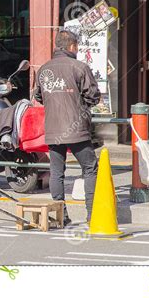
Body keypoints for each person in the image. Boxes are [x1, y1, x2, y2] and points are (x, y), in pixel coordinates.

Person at [34, 30, 101, 225]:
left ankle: (60, 217)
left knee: (57, 172)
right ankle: (92, 215)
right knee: (90, 168)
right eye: (77, 47)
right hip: (76, 127)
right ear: (72, 46)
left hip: (53, 128)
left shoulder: (44, 69)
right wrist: (80, 104)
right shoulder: (79, 67)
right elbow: (93, 96)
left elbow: (38, 96)